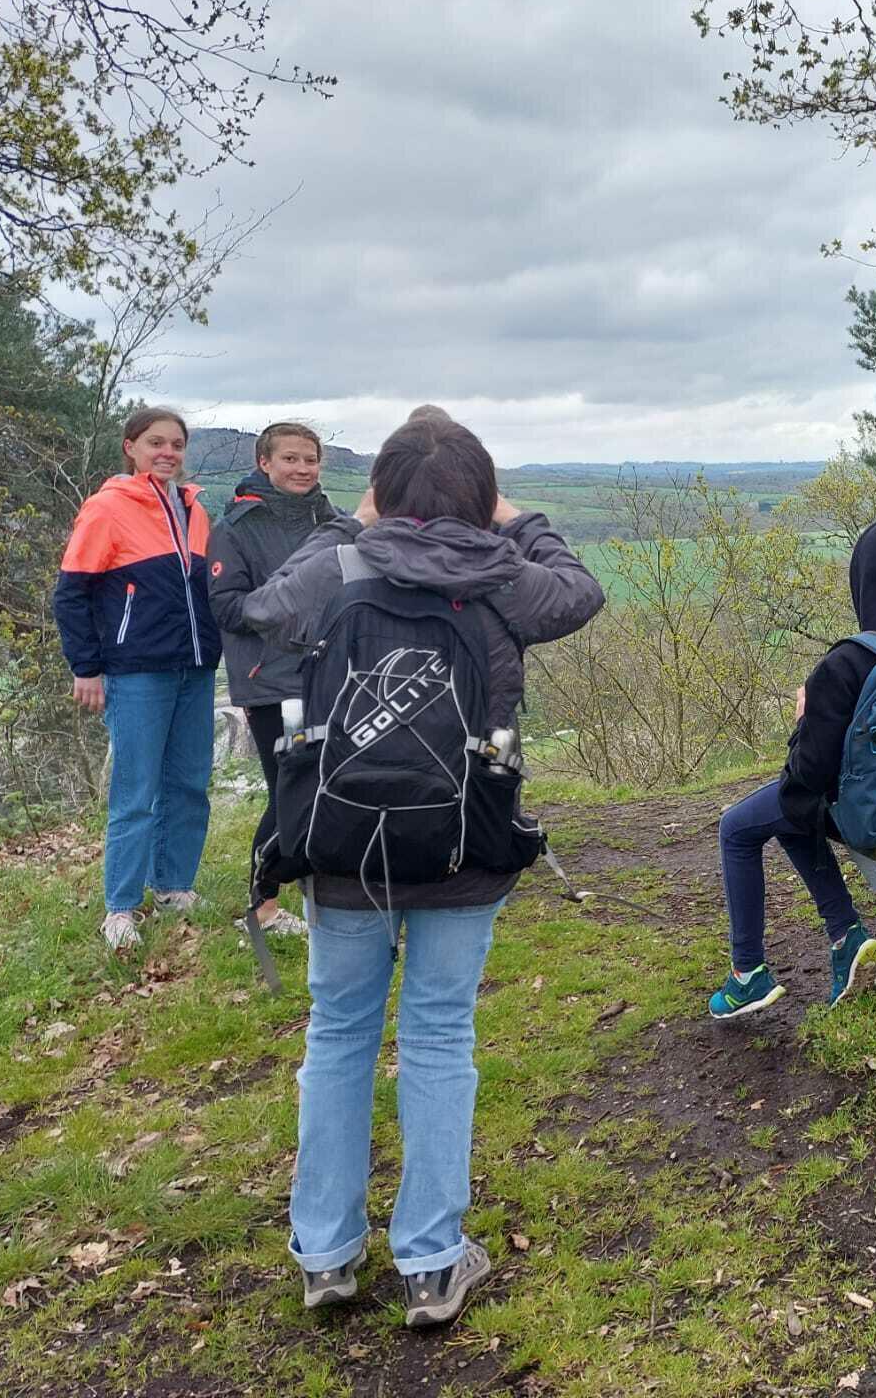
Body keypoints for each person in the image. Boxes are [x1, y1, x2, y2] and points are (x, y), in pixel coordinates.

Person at [241, 416, 604, 1328]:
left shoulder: (339, 567)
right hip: (465, 838)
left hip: (343, 843)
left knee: (338, 1033)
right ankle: (433, 1262)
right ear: (481, 494)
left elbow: (267, 609)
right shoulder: (503, 578)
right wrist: (516, 518)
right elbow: (580, 592)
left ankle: (326, 1252)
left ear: (382, 490)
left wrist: (350, 523)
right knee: (440, 1034)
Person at [711, 521, 876, 1016]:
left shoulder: (849, 662)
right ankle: (845, 936)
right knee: (791, 810)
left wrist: (804, 721)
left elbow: (811, 772)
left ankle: (749, 973)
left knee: (739, 826)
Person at [52, 407, 222, 951]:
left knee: (189, 784)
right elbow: (71, 593)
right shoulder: (107, 507)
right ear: (131, 447)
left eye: (176, 444)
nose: (167, 452)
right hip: (136, 670)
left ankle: (173, 887)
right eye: (156, 443)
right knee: (137, 792)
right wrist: (86, 667)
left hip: (195, 667)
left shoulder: (195, 509)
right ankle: (121, 907)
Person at [207, 421, 344, 939]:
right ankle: (262, 904)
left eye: (310, 459)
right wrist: (291, 608)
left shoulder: (334, 520)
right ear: (264, 463)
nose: (302, 469)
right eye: (290, 459)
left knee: (330, 783)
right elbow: (226, 607)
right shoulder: (236, 528)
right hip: (271, 680)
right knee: (290, 791)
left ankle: (325, 888)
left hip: (332, 674)